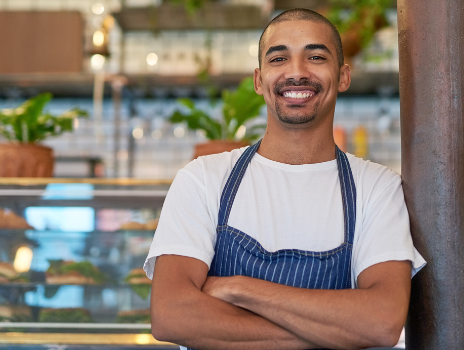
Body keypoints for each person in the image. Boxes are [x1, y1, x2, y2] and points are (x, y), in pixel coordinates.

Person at [144, 8, 425, 350]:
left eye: (316, 56)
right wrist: (330, 330)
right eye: (279, 59)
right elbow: (171, 314)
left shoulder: (376, 187)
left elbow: (381, 323)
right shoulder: (204, 179)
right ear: (259, 80)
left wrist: (239, 289)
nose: (297, 72)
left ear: (343, 76)